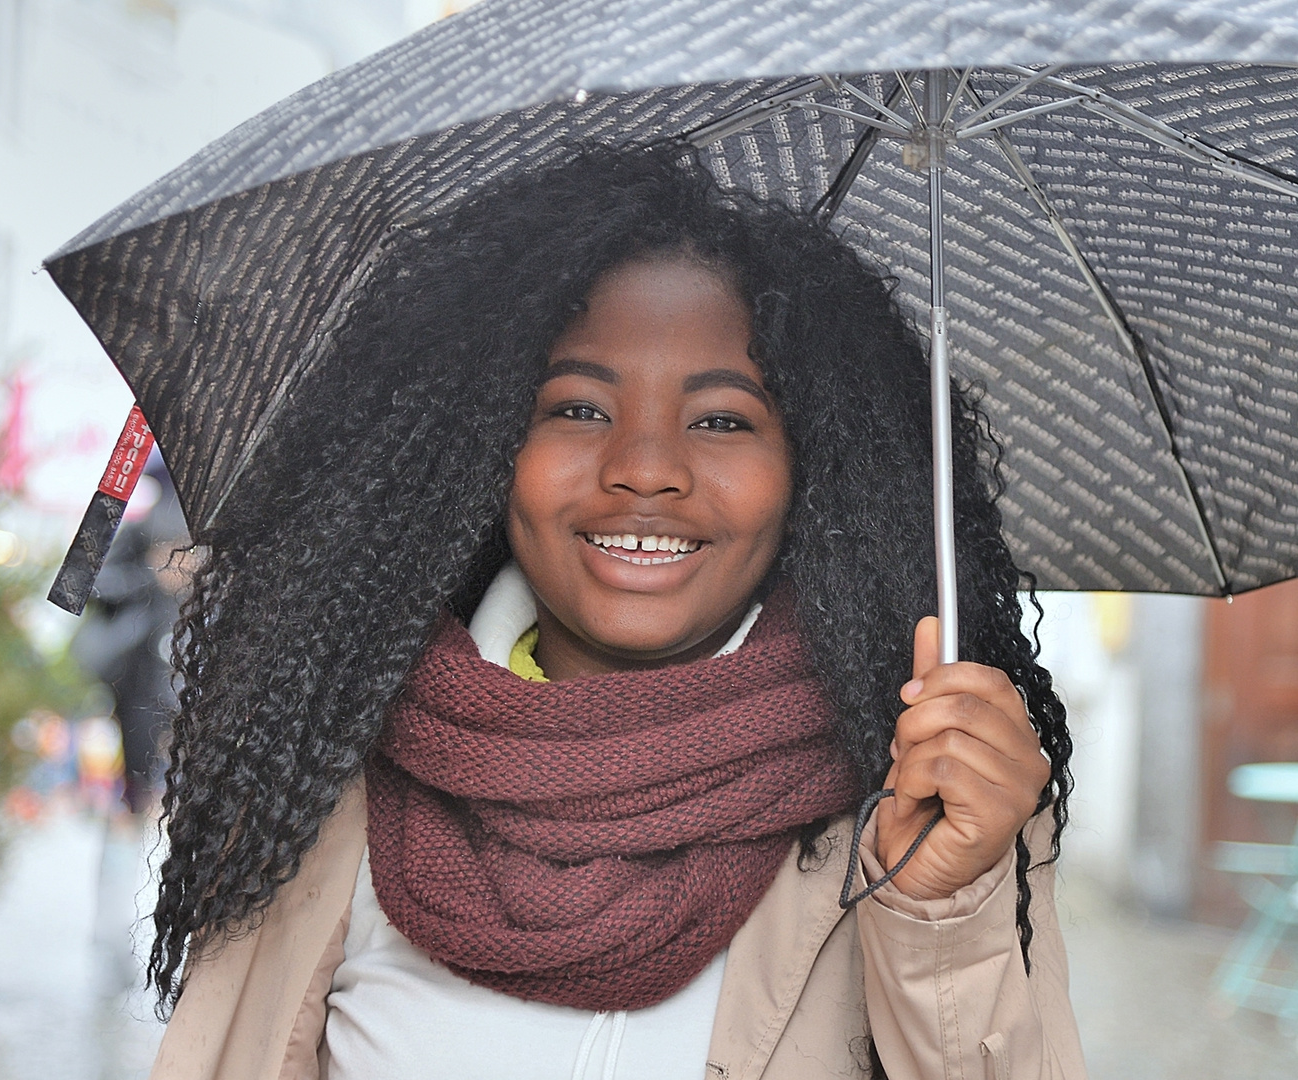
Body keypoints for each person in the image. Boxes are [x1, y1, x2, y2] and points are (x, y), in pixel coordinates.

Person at [145, 146, 1083, 1079]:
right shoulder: (318, 769)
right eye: (580, 409)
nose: (643, 466)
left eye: (722, 420)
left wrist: (942, 913)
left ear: (818, 471)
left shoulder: (928, 792)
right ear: (481, 443)